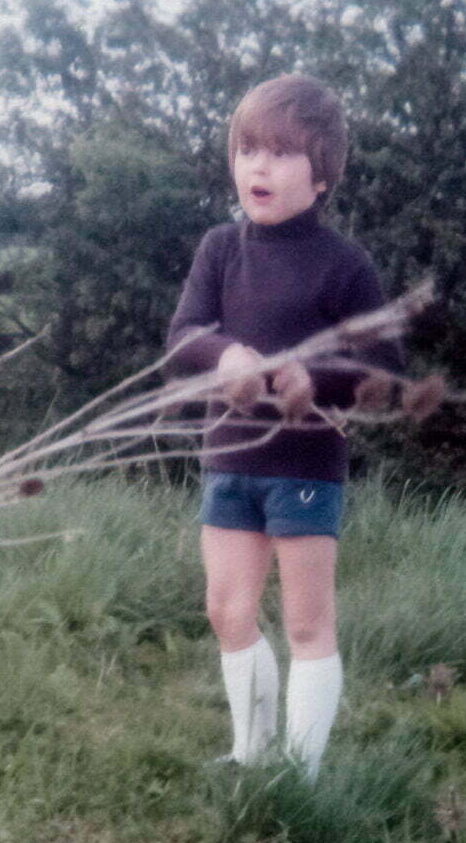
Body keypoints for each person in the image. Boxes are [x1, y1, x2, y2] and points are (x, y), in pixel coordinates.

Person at [164, 73, 404, 779]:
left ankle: (302, 779)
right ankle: (249, 753)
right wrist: (225, 353)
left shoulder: (345, 265)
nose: (258, 167)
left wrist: (316, 379)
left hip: (305, 468)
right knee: (227, 610)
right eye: (247, 150)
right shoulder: (219, 250)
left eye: (280, 153)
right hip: (229, 459)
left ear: (323, 173)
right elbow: (183, 337)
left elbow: (384, 369)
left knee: (306, 625)